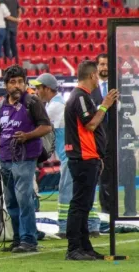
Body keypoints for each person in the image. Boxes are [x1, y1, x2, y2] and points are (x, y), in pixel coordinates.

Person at [0, 65, 52, 253]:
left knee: (24, 198)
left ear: (25, 83)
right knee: (11, 201)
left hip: (25, 157)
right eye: (13, 82)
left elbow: (46, 127)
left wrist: (28, 136)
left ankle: (29, 240)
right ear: (6, 84)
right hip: (5, 157)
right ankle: (17, 238)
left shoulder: (32, 101)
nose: (17, 86)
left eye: (20, 82)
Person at [31, 73, 100, 239]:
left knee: (66, 190)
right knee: (84, 190)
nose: (36, 91)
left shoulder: (54, 108)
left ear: (47, 89)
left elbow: (43, 130)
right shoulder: (59, 104)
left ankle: (64, 226)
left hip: (69, 156)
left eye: (38, 88)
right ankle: (92, 225)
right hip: (74, 154)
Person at [64, 60, 118, 260]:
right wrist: (105, 106)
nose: (98, 78)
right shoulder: (79, 96)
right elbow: (91, 125)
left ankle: (84, 247)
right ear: (92, 75)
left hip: (88, 157)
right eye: (97, 74)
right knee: (80, 204)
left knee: (84, 205)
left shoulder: (81, 96)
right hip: (83, 158)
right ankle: (73, 248)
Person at [91, 53, 111, 214]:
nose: (105, 67)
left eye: (107, 64)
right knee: (102, 175)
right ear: (97, 67)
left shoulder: (119, 86)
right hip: (98, 137)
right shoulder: (92, 89)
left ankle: (128, 211)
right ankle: (105, 211)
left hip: (117, 136)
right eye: (102, 64)